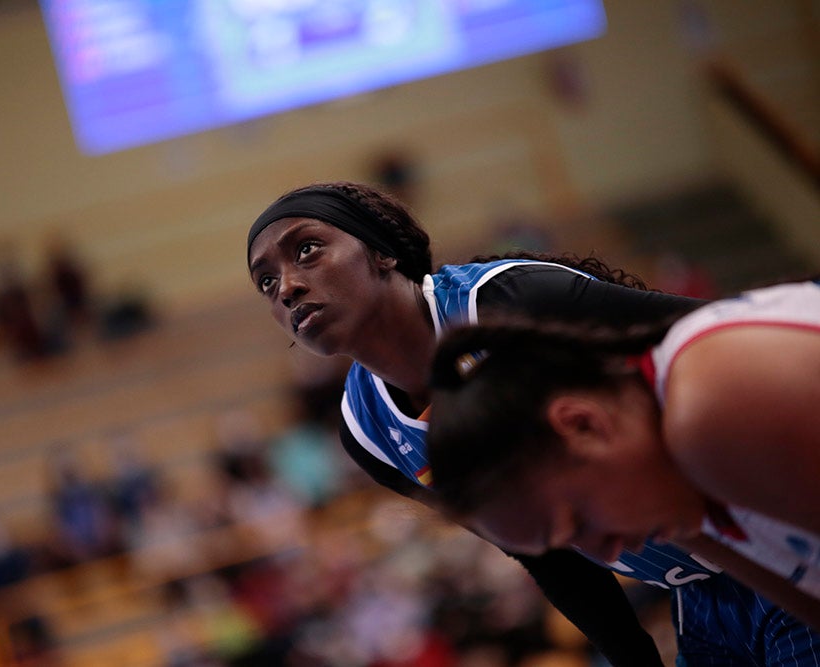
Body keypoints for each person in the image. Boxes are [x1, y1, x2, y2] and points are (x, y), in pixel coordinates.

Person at [246, 180, 820, 664]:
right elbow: (546, 549)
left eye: (308, 251)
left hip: (768, 516)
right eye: (267, 282)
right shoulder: (367, 431)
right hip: (697, 585)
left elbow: (718, 341)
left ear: (380, 253)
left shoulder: (505, 297)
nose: (289, 287)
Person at [425, 279, 820, 630]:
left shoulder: (708, 408)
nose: (610, 553)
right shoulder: (678, 497)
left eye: (579, 522)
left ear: (582, 424)